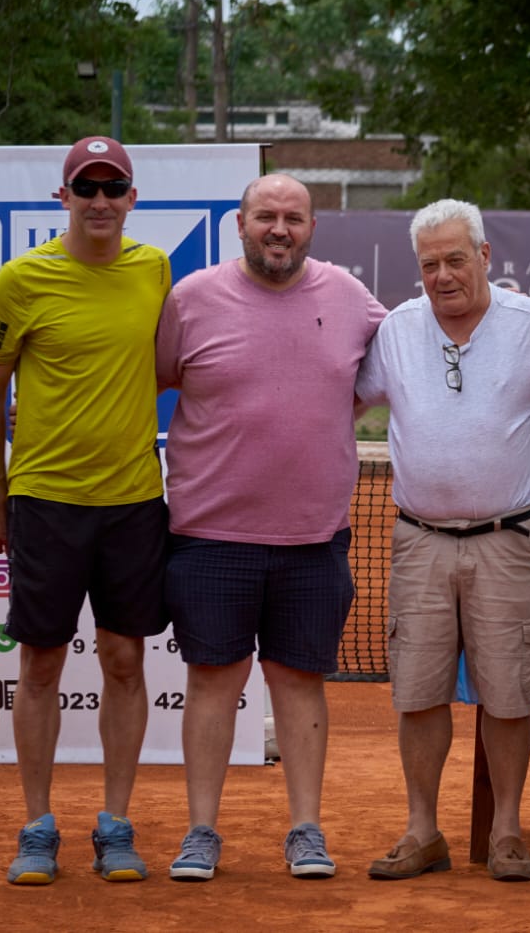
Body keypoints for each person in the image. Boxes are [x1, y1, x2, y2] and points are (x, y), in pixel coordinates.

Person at [155, 173, 385, 881]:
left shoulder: (351, 298)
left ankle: (306, 829)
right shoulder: (189, 300)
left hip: (314, 538)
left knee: (298, 683)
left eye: (292, 217)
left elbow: (396, 370)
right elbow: (151, 381)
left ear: (312, 226)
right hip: (210, 534)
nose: (278, 228)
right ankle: (201, 830)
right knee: (213, 680)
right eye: (265, 216)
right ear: (241, 224)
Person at [0, 135, 170, 885]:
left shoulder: (155, 269)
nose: (98, 200)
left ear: (130, 198)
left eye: (111, 187)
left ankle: (116, 824)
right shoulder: (19, 282)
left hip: (132, 502)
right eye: (84, 188)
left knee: (124, 659)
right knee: (42, 662)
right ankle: (36, 826)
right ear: (63, 198)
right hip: (46, 502)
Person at [354, 200, 530, 883]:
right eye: (430, 264)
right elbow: (343, 400)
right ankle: (422, 829)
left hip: (509, 539)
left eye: (455, 259)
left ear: (486, 255)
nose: (443, 275)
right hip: (418, 541)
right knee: (417, 692)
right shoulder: (396, 331)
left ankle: (506, 832)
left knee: (508, 695)